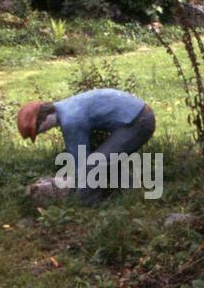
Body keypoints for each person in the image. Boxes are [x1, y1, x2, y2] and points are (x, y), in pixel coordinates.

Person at [17, 88, 155, 205]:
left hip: (138, 122)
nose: (43, 132)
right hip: (136, 116)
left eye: (39, 130)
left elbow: (81, 160)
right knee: (107, 157)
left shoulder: (71, 120)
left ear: (44, 118)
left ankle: (90, 205)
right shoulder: (65, 109)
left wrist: (71, 186)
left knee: (94, 163)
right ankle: (133, 194)